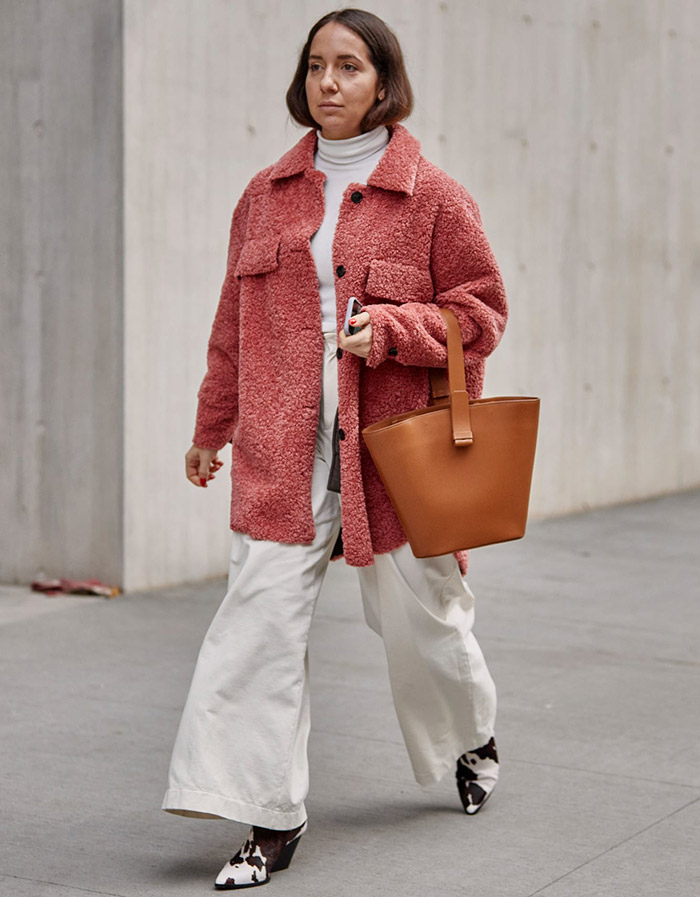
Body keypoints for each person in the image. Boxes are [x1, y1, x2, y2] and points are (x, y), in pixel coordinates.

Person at [162, 7, 507, 890]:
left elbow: (480, 315)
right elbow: (231, 327)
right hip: (281, 448)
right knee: (256, 625)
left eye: (349, 66)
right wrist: (210, 427)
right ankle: (270, 815)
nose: (328, 81)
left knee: (425, 624)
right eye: (317, 64)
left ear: (384, 81)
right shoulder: (264, 193)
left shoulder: (433, 196)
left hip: (391, 452)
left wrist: (390, 331)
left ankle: (472, 734)